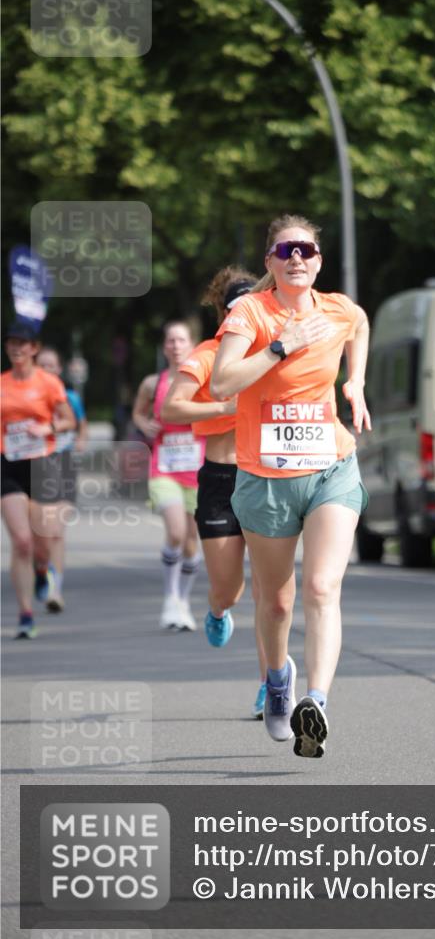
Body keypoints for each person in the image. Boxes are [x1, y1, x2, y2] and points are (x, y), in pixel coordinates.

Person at [211, 215, 371, 758]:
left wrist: (357, 381)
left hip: (330, 469)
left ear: (319, 260)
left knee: (323, 588)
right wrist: (281, 346)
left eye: (306, 249)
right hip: (266, 481)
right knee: (276, 603)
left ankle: (317, 704)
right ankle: (279, 682)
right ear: (271, 262)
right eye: (286, 250)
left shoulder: (338, 309)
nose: (297, 257)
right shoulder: (249, 312)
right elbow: (221, 383)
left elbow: (362, 323)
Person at [161, 266, 275, 719]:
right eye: (237, 309)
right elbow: (172, 406)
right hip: (220, 479)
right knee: (229, 588)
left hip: (267, 477)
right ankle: (215, 608)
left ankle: (271, 685)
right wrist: (227, 403)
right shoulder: (209, 354)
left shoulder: (274, 353)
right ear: (225, 313)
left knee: (271, 593)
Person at [1, 322, 76, 639]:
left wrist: (47, 429)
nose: (16, 348)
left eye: (22, 343)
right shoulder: (2, 384)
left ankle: (45, 572)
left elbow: (69, 420)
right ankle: (25, 614)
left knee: (45, 542)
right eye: (11, 343)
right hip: (8, 465)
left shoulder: (48, 383)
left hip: (42, 464)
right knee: (21, 542)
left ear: (34, 348)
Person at [132, 322, 205, 632]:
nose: (176, 345)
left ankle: (183, 602)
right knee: (175, 532)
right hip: (163, 468)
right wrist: (143, 424)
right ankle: (169, 598)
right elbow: (138, 412)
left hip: (198, 469)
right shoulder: (153, 383)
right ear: (165, 347)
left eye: (181, 340)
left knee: (191, 542)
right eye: (171, 341)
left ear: (192, 345)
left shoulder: (204, 380)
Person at [34, 346, 89, 611]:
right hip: (37, 464)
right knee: (41, 533)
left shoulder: (70, 397)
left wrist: (80, 439)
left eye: (51, 365)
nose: (46, 370)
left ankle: (56, 589)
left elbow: (81, 423)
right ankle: (41, 570)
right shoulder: (29, 398)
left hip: (64, 463)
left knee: (56, 531)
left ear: (58, 369)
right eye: (41, 365)